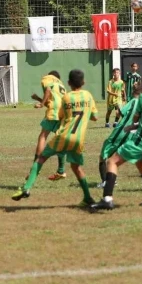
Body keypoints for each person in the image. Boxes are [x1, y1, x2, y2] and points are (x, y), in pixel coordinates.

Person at [12, 70, 98, 207]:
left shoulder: (67, 98)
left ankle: (26, 188)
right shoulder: (88, 96)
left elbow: (61, 115)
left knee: (41, 159)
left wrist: (42, 102)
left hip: (64, 136)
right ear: (84, 82)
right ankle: (88, 197)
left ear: (69, 83)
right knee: (77, 168)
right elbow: (95, 117)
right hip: (79, 140)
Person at [90, 65, 142, 211]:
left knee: (112, 161)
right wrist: (134, 126)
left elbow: (136, 118)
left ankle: (107, 199)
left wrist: (131, 126)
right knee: (141, 163)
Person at [97, 86, 142, 188]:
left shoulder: (133, 101)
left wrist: (120, 106)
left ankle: (106, 182)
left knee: (103, 156)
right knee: (116, 158)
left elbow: (118, 113)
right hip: (132, 135)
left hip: (121, 132)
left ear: (135, 93)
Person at [30, 71, 68, 181]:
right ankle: (61, 171)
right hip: (63, 112)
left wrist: (41, 103)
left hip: (54, 111)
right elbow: (50, 101)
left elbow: (47, 91)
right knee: (60, 140)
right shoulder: (61, 85)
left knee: (43, 136)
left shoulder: (48, 79)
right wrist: (38, 98)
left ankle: (35, 168)